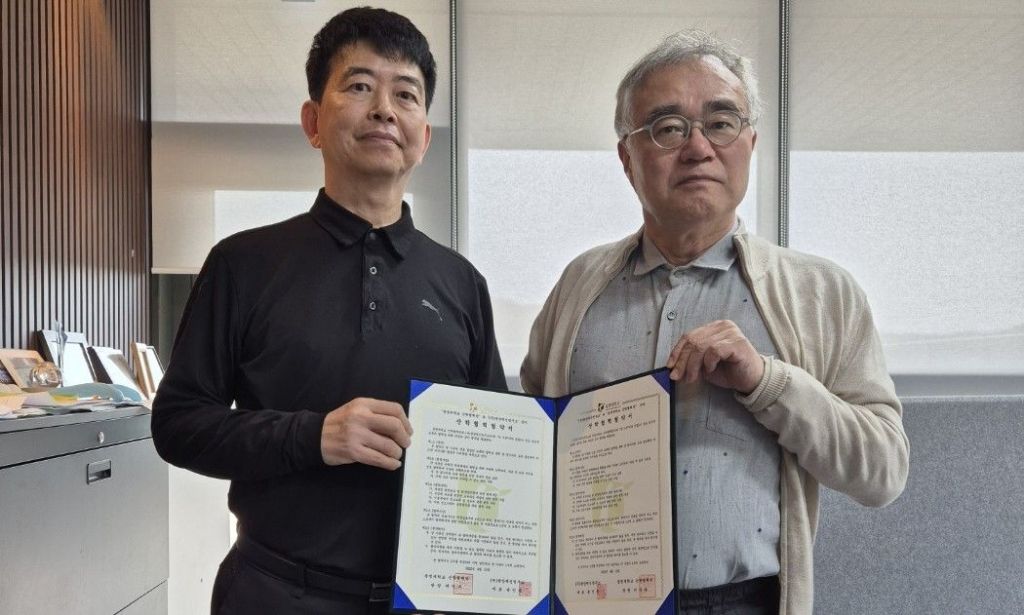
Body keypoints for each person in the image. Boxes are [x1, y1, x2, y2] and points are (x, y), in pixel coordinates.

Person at [520, 29, 908, 615]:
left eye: (721, 123)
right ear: (627, 159)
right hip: (594, 602)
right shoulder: (578, 287)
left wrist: (769, 382)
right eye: (668, 128)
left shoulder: (822, 294)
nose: (698, 148)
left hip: (745, 602)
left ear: (751, 143)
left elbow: (883, 472)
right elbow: (531, 447)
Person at [152, 7, 505, 615]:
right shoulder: (243, 262)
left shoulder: (463, 284)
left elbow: (494, 450)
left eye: (406, 94)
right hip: (272, 591)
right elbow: (178, 424)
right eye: (360, 86)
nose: (384, 109)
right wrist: (314, 436)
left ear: (423, 138)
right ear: (313, 122)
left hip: (428, 601)